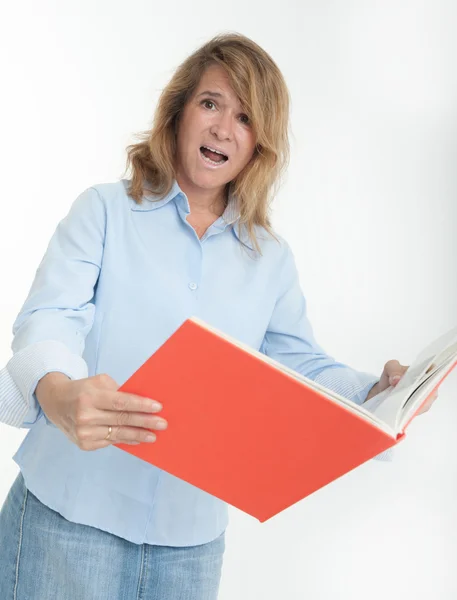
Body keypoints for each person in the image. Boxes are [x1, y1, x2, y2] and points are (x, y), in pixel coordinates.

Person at [0, 32, 436, 600]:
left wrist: (380, 391)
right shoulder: (105, 211)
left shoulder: (269, 258)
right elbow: (52, 315)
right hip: (69, 518)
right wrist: (58, 393)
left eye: (246, 117)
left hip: (191, 547)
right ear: (179, 112)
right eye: (210, 103)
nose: (223, 128)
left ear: (260, 145)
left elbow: (299, 365)